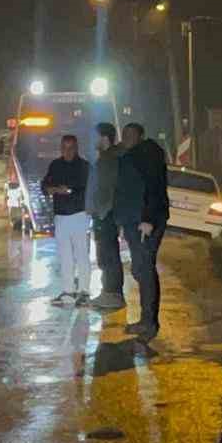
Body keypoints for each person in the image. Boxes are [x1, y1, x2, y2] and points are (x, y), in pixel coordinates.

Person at [112, 122, 170, 341]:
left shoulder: (146, 155)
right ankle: (146, 319)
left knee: (144, 269)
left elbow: (153, 188)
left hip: (144, 222)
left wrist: (147, 219)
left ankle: (149, 323)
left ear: (140, 136)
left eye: (130, 134)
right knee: (140, 269)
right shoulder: (134, 155)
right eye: (124, 134)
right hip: (134, 221)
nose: (125, 137)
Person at [40, 134, 92, 306]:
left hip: (78, 214)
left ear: (76, 148)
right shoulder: (55, 165)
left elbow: (85, 189)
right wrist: (53, 189)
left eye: (70, 148)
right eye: (64, 147)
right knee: (65, 256)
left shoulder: (84, 166)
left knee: (81, 254)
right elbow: (45, 185)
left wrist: (67, 191)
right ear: (60, 148)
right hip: (61, 215)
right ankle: (68, 291)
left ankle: (84, 291)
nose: (67, 151)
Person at [87, 122, 127, 311]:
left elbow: (110, 189)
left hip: (106, 215)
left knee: (108, 255)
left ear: (104, 138)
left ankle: (113, 295)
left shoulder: (110, 159)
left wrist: (103, 211)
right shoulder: (105, 158)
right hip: (103, 215)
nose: (91, 139)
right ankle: (108, 292)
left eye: (94, 136)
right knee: (105, 254)